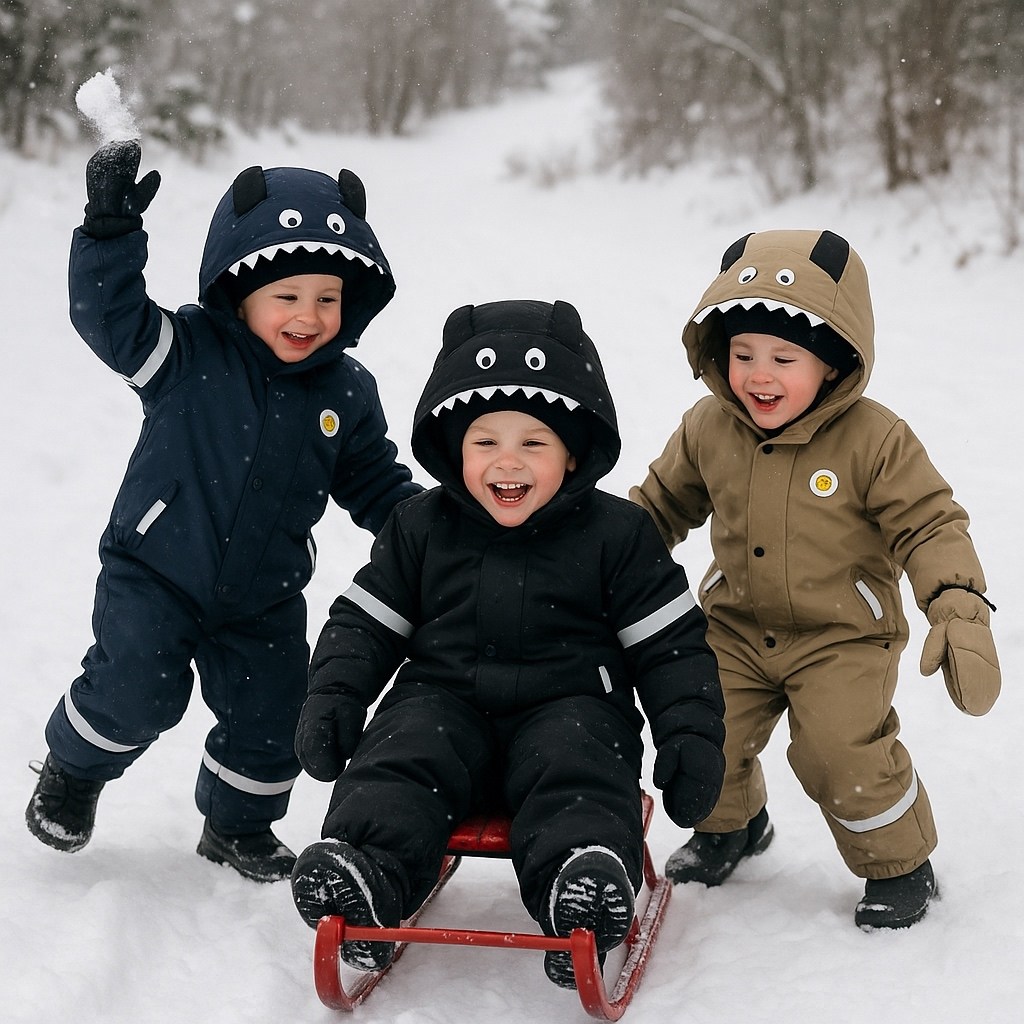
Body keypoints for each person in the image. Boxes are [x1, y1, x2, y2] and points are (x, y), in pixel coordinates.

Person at [288, 298, 726, 988]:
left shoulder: (619, 535)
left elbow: (670, 645)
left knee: (576, 765)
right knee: (399, 754)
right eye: (485, 442)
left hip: (573, 702)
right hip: (444, 700)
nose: (506, 463)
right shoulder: (419, 526)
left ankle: (577, 891)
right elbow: (365, 623)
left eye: (533, 443)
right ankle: (368, 874)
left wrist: (692, 736)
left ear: (574, 451)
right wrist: (335, 696)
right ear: (453, 446)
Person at [25, 140, 420, 882]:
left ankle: (237, 826)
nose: (308, 316)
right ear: (240, 290)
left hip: (264, 595)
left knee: (274, 717)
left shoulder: (346, 392)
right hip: (158, 570)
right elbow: (111, 320)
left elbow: (375, 483)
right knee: (134, 691)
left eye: (327, 298)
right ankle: (74, 774)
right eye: (288, 297)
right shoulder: (186, 351)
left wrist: (430, 531)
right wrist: (109, 235)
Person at [631, 228, 1001, 930]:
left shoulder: (875, 440)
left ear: (833, 362)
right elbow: (657, 508)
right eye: (742, 354)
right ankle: (731, 826)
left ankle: (899, 863)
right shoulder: (709, 427)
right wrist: (589, 561)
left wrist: (957, 604)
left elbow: (929, 523)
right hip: (736, 625)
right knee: (704, 728)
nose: (758, 376)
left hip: (843, 635)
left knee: (841, 751)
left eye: (783, 357)